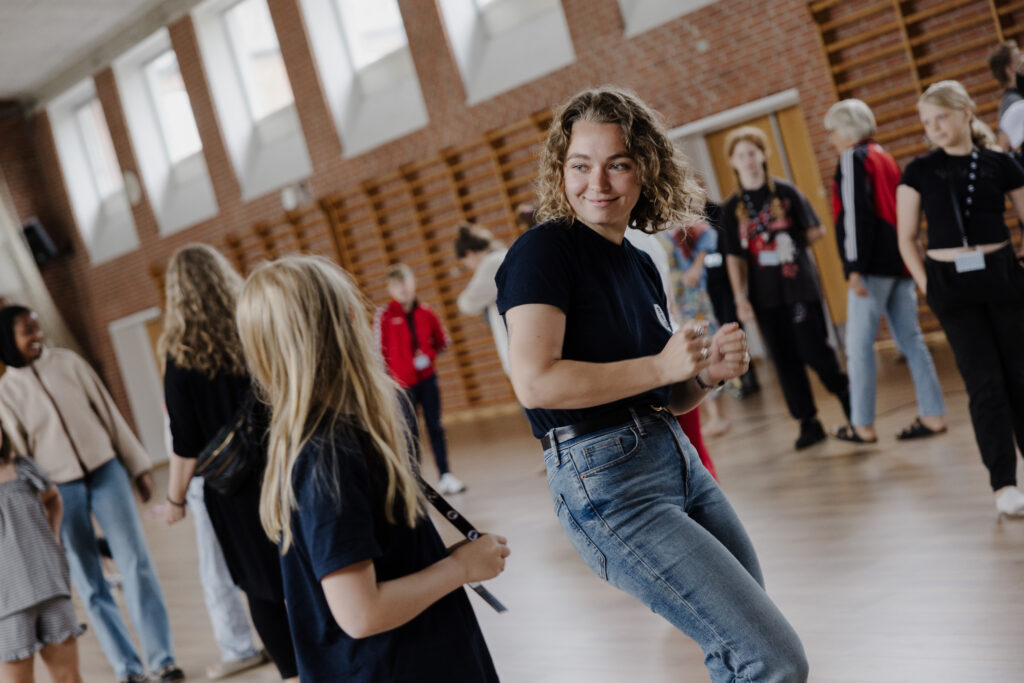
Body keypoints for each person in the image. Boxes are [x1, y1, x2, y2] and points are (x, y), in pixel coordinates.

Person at [496, 87, 807, 682]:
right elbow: (535, 382)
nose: (599, 183)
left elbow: (667, 393)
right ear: (560, 172)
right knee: (769, 657)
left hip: (673, 455)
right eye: (580, 165)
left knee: (746, 645)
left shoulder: (637, 259)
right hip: (607, 481)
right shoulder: (543, 251)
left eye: (617, 163)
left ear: (645, 169)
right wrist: (663, 369)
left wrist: (705, 374)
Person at [235, 255, 507, 682]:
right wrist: (460, 569)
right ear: (343, 323)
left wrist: (448, 562)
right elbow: (360, 612)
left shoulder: (349, 434)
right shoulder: (328, 455)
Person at [0, 306, 183, 683]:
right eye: (27, 332)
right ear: (7, 339)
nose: (37, 336)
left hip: (106, 471)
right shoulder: (7, 392)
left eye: (37, 328)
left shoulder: (68, 363)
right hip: (58, 487)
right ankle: (128, 669)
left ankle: (162, 660)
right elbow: (18, 456)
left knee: (136, 564)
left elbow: (109, 412)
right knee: (89, 582)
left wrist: (138, 465)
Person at [159, 244, 298, 681]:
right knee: (301, 563)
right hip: (282, 466)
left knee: (261, 585)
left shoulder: (180, 356)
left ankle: (294, 673)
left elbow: (185, 442)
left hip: (231, 490)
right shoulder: (253, 327)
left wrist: (174, 499)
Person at [897, 80, 1024, 517]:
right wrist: (926, 283)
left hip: (1003, 278)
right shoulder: (918, 171)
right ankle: (1003, 483)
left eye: (942, 117)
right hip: (950, 286)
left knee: (1019, 374)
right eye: (928, 122)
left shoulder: (1001, 163)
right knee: (983, 382)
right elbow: (906, 238)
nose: (935, 127)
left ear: (966, 112)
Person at [824, 99, 948, 444]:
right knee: (912, 340)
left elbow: (854, 215)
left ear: (847, 128)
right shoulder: (884, 155)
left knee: (858, 347)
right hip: (898, 263)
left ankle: (862, 424)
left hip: (871, 267)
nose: (831, 138)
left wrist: (853, 268)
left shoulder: (853, 158)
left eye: (833, 131)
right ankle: (933, 413)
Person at [721, 126, 851, 450]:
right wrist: (740, 297)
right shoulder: (731, 208)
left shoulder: (785, 192)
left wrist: (789, 244)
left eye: (753, 152)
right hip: (765, 298)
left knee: (814, 350)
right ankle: (808, 422)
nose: (748, 160)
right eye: (741, 155)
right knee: (784, 359)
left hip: (799, 290)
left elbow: (817, 229)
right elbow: (734, 259)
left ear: (763, 155)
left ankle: (851, 404)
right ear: (733, 163)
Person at [0, 422, 86, 683]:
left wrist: (53, 537)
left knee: (69, 678)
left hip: (48, 586)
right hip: (7, 603)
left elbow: (53, 499)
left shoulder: (24, 467)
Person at [377, 264, 465, 495]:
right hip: (402, 385)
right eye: (397, 285)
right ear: (390, 289)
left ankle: (446, 475)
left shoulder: (426, 312)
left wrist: (429, 355)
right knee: (409, 432)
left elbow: (442, 341)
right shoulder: (385, 316)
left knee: (435, 426)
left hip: (427, 380)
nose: (403, 289)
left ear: (413, 283)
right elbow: (379, 353)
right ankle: (415, 482)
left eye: (405, 282)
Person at [661, 222, 731, 436]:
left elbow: (708, 233)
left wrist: (698, 264)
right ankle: (713, 416)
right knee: (692, 353)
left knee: (705, 348)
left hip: (692, 297)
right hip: (675, 301)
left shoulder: (679, 222)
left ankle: (718, 415)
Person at [703, 199, 761, 398]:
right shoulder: (685, 219)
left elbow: (729, 246)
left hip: (725, 283)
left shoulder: (718, 213)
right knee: (718, 333)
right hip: (707, 287)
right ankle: (733, 379)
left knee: (732, 330)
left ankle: (747, 377)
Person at [454, 223, 510, 375]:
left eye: (465, 263)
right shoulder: (503, 254)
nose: (470, 268)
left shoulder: (491, 263)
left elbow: (467, 303)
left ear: (470, 254)